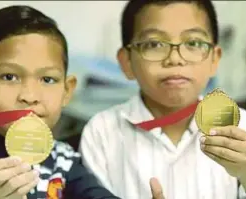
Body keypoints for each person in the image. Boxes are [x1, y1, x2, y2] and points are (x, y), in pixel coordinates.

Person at [79, 0, 246, 199]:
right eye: (154, 44)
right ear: (127, 62)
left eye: (193, 43)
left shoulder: (242, 127)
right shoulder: (101, 133)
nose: (174, 58)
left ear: (214, 59)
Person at [0, 5, 120, 199]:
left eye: (47, 80)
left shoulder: (64, 161)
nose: (30, 95)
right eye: (9, 77)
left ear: (66, 91)